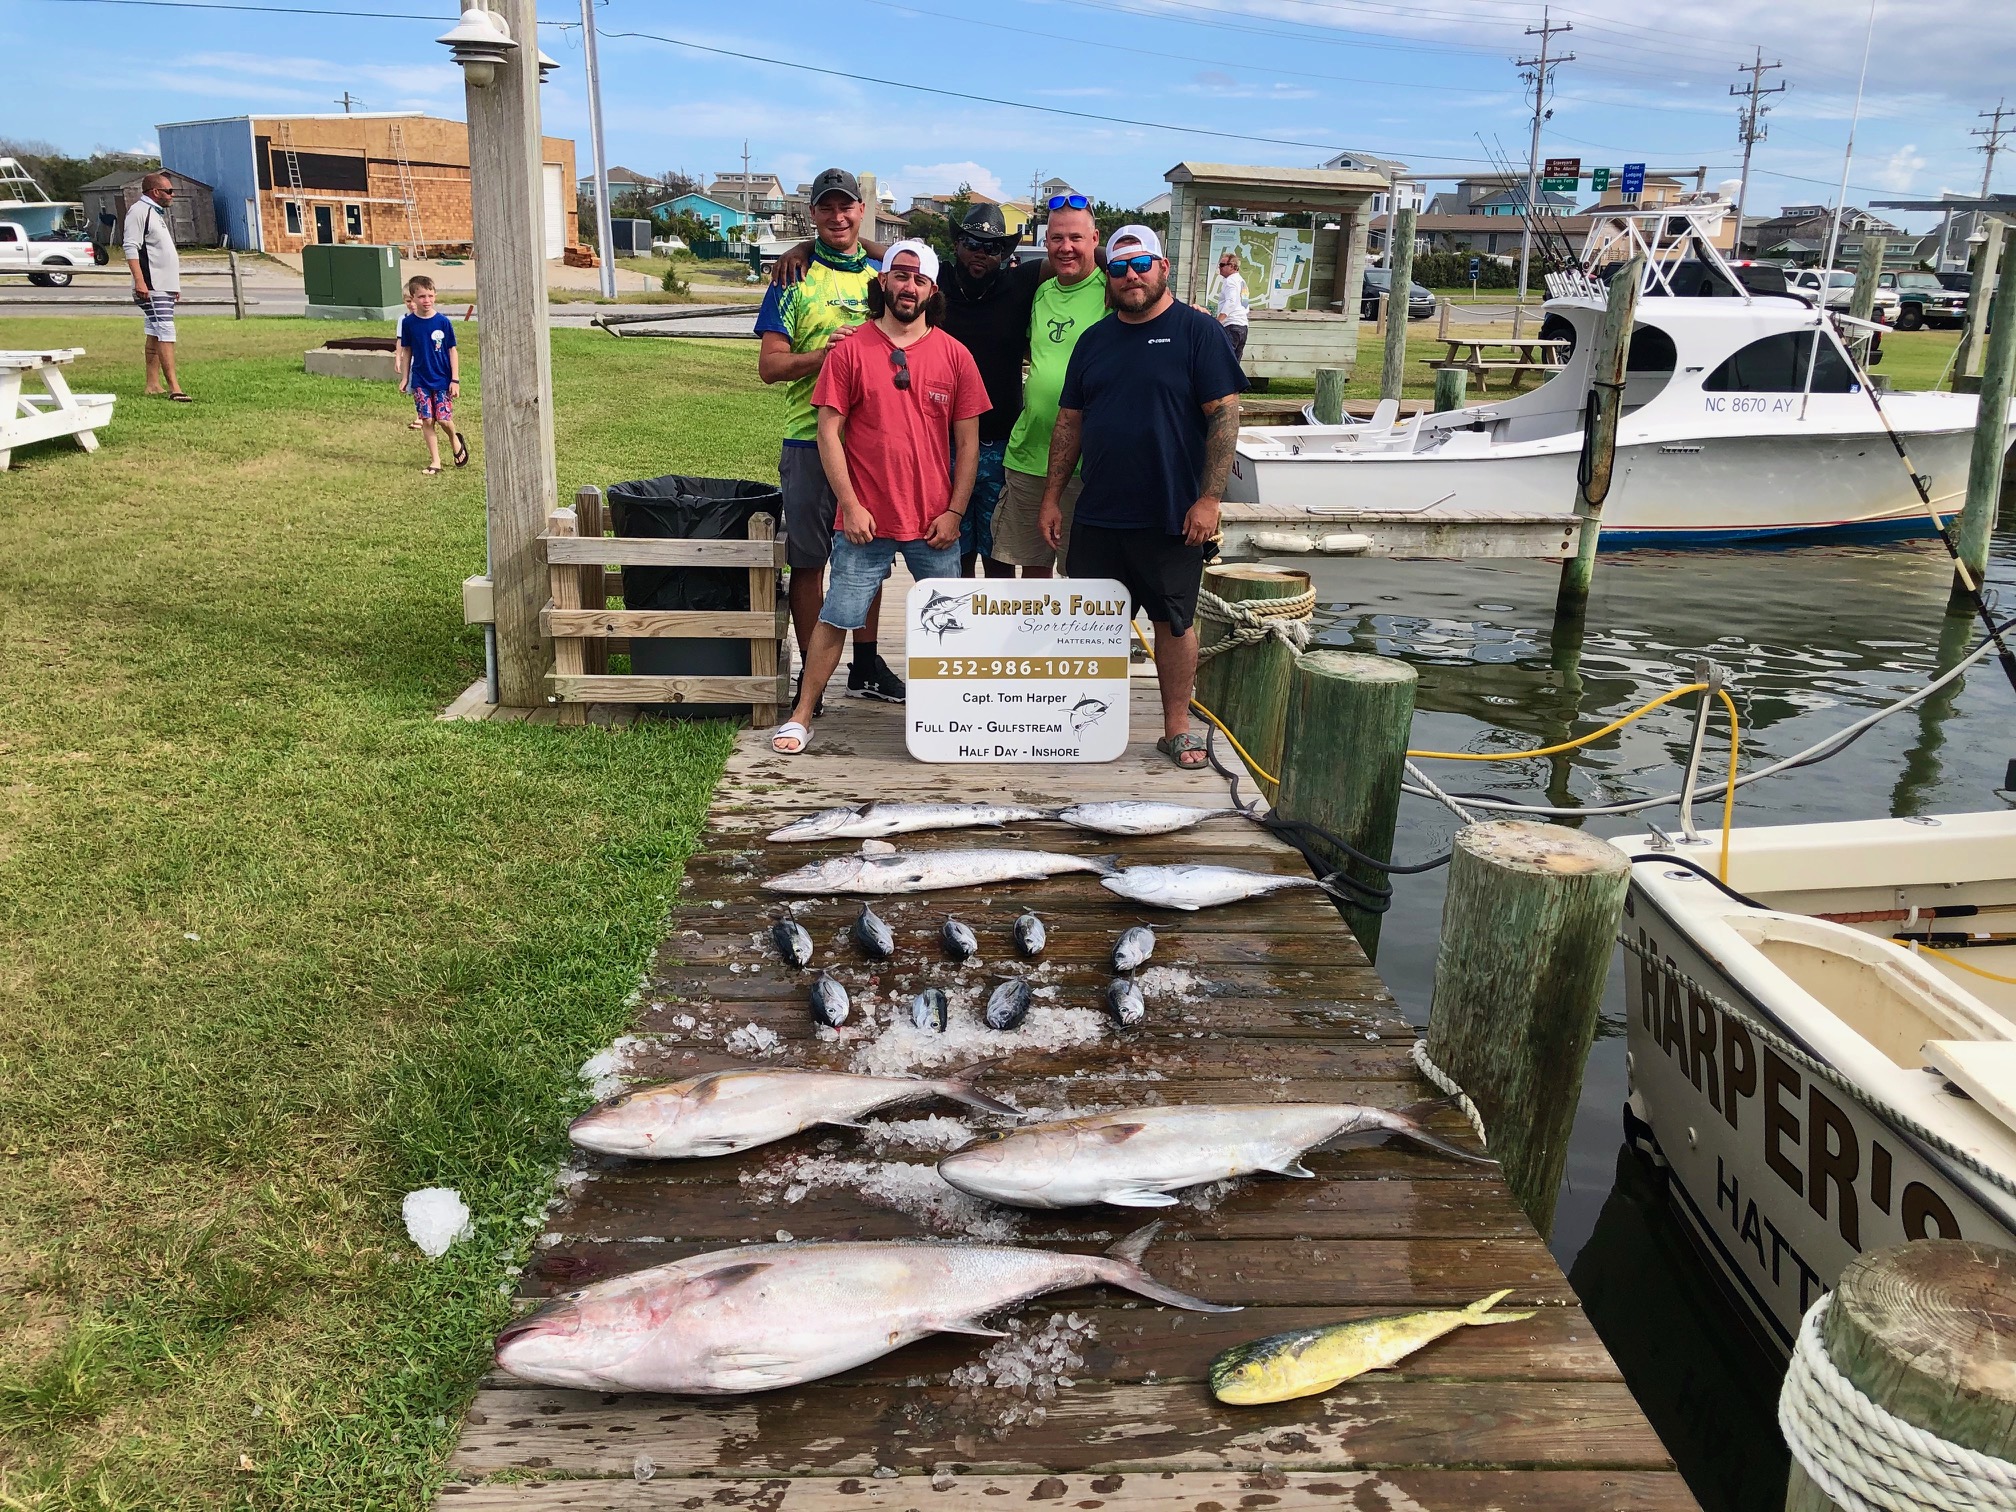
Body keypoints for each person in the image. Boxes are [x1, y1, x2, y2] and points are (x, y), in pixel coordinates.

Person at [1038, 225, 1246, 770]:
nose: (1130, 276)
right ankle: (1087, 723)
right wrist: (1053, 496)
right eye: (1119, 267)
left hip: (1173, 513)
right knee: (1090, 622)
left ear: (1163, 267)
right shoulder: (1094, 340)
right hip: (1101, 511)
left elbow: (1225, 416)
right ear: (1107, 276)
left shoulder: (1198, 332)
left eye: (1141, 265)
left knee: (1173, 622)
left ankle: (1176, 727)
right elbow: (1069, 423)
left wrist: (1210, 499)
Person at [772, 241, 988, 754]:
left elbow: (968, 443)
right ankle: (803, 713)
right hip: (864, 520)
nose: (908, 286)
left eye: (919, 278)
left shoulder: (955, 355)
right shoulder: (848, 349)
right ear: (883, 281)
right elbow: (829, 433)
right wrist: (850, 505)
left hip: (933, 523)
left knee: (949, 625)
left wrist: (955, 511)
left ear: (932, 290)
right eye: (899, 274)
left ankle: (951, 719)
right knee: (837, 614)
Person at [755, 168, 905, 704]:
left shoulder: (882, 271)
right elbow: (769, 366)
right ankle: (810, 677)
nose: (837, 217)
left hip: (872, 440)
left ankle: (865, 663)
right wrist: (825, 356)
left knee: (869, 558)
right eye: (826, 208)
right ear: (812, 214)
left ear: (861, 211)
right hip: (808, 438)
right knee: (810, 559)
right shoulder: (792, 279)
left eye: (847, 207)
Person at [989, 195, 1106, 578]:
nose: (1066, 247)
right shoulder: (1038, 293)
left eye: (1076, 237)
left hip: (1088, 464)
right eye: (1057, 238)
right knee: (1031, 573)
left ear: (1094, 240)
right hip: (1029, 456)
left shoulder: (1114, 291)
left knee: (1084, 578)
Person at [937, 204, 1046, 578]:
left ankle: (1000, 635)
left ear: (1006, 254)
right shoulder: (938, 278)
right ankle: (962, 633)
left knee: (1000, 551)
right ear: (956, 244)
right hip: (945, 443)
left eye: (994, 248)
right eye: (972, 242)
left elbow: (1078, 256)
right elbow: (884, 256)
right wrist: (805, 248)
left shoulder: (1020, 283)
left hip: (1002, 445)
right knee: (954, 549)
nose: (982, 253)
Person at [124, 172, 188, 402]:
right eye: (169, 191)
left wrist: (173, 285)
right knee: (166, 332)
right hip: (152, 286)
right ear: (155, 192)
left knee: (154, 332)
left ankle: (152, 384)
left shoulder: (155, 213)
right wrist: (140, 281)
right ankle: (175, 387)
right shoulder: (139, 212)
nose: (172, 195)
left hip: (164, 286)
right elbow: (131, 247)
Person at [395, 276, 468, 474]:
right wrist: (405, 377)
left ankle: (455, 439)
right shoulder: (409, 323)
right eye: (421, 296)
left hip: (442, 379)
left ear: (435, 296)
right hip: (420, 379)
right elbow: (407, 350)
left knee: (443, 420)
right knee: (427, 420)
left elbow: (452, 350)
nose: (426, 300)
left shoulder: (443, 322)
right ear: (413, 298)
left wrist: (455, 379)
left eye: (430, 296)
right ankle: (435, 461)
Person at [1211, 249, 1251, 364]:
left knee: (1224, 362)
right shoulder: (1241, 281)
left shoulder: (1230, 281)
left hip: (1231, 325)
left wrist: (1219, 321)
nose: (1220, 267)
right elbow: (1244, 303)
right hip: (1243, 326)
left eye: (1223, 265)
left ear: (1232, 266)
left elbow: (1231, 301)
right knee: (1235, 364)